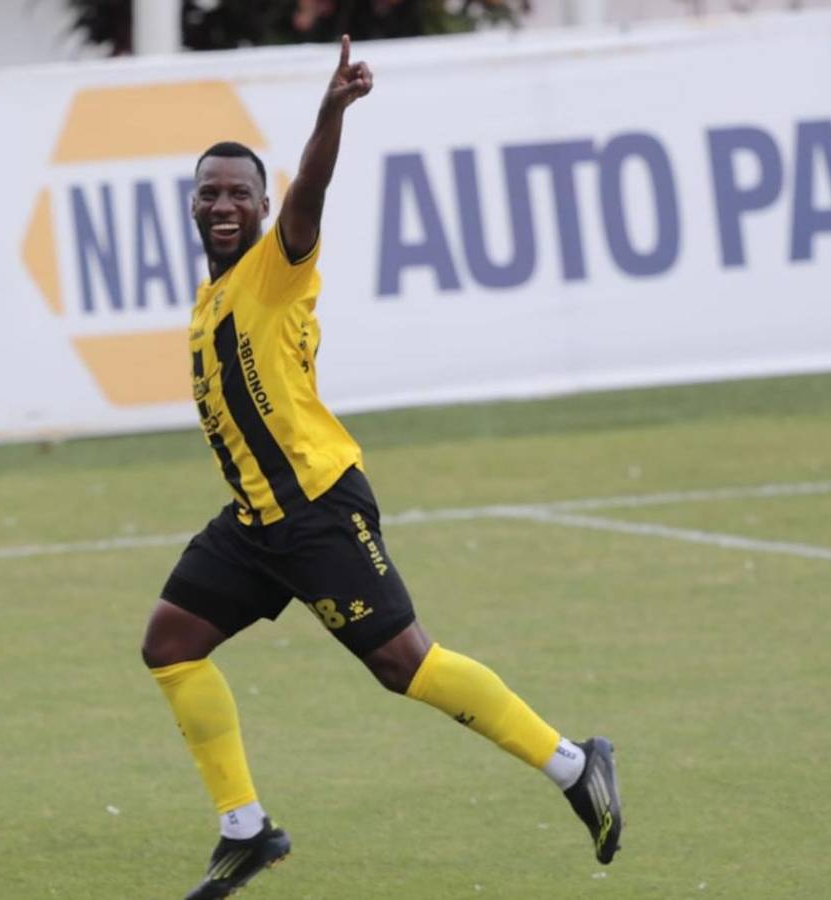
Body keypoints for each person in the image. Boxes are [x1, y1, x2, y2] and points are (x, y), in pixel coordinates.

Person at [140, 35, 623, 900]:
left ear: (260, 205)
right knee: (172, 645)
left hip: (318, 507)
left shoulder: (273, 269)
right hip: (256, 522)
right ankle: (244, 831)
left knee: (405, 664)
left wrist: (330, 114)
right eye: (208, 192)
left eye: (238, 192)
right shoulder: (209, 300)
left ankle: (574, 764)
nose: (222, 204)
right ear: (191, 205)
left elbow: (311, 192)